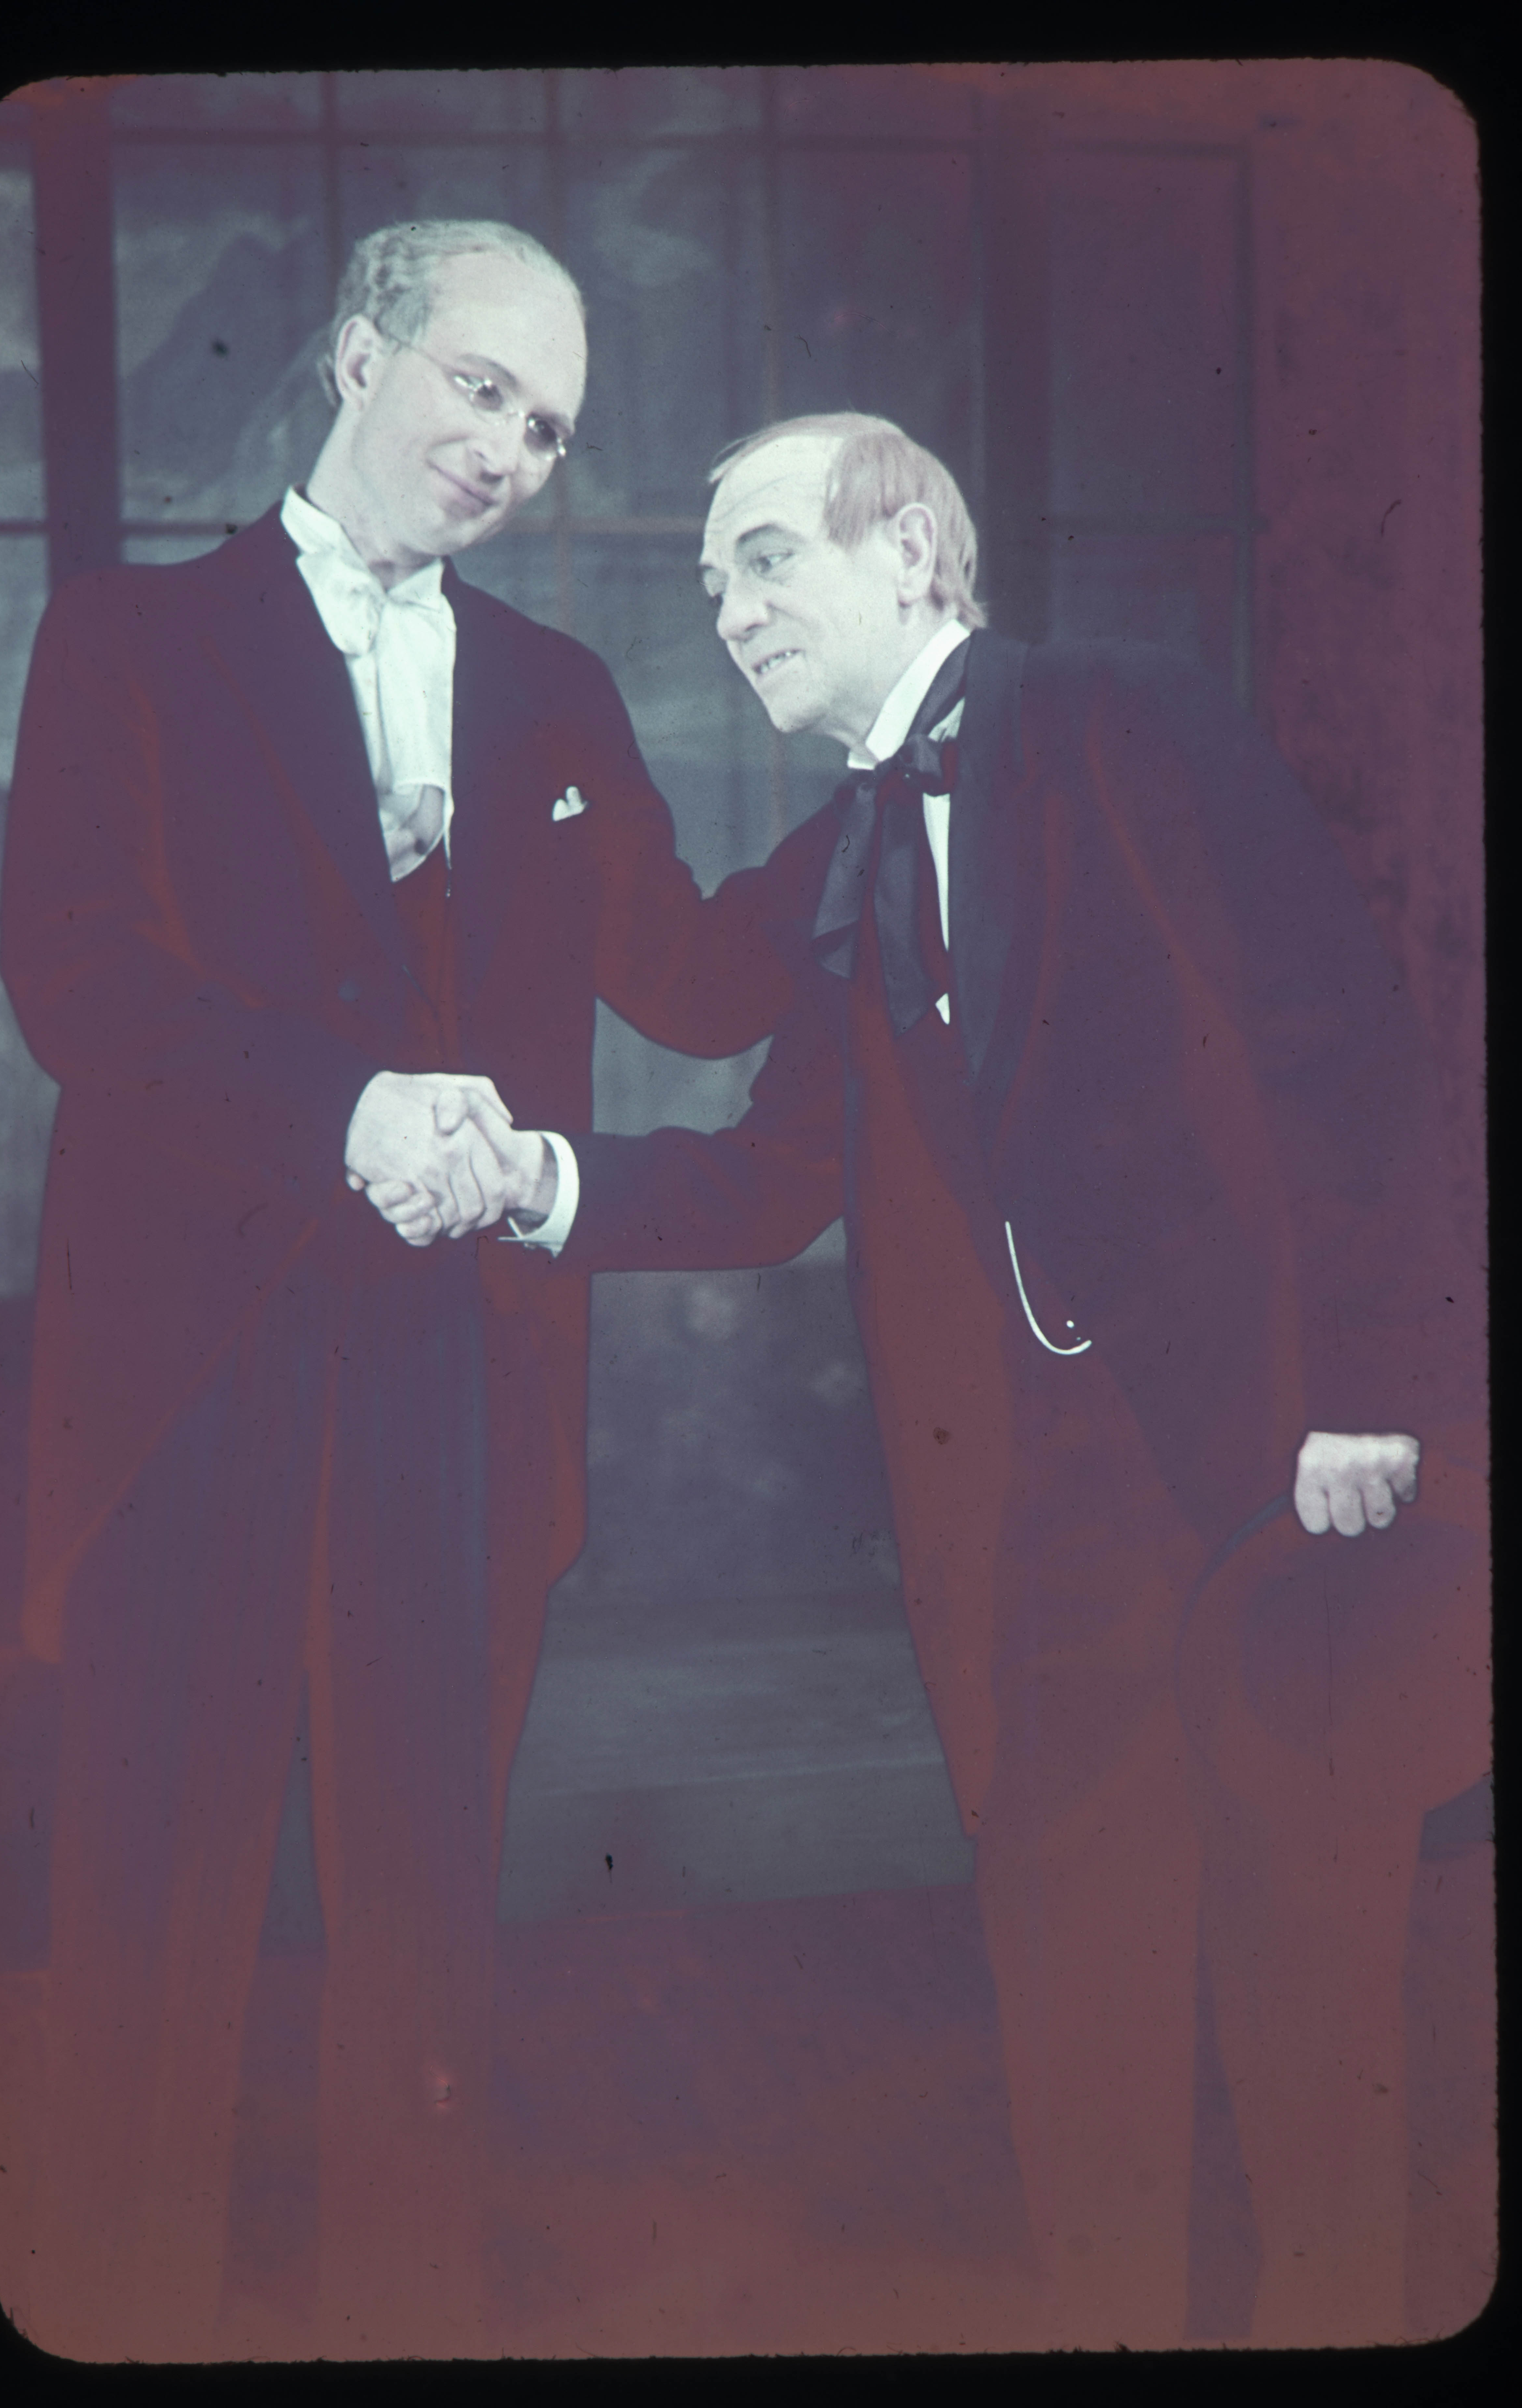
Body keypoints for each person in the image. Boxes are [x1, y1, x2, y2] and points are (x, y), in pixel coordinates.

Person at [397, 414, 1490, 2349]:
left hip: (1268, 1476)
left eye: (764, 558)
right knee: (1077, 2008)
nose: (728, 610)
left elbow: (1341, 1046)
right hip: (1042, 1530)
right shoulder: (852, 847)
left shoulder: (1129, 715)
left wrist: (1371, 1399)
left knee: (1314, 1994)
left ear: (908, 551)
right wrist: (531, 1182)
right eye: (708, 582)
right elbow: (767, 1177)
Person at [0, 219, 793, 2361]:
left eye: (551, 426)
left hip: (460, 1379)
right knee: (153, 1899)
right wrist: (340, 1107)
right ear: (361, 355)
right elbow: (75, 976)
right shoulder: (128, 639)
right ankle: (110, 2314)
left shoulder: (556, 691)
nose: (513, 450)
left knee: (426, 1906)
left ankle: (408, 2317)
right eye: (482, 389)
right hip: (193, 1371)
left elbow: (694, 983)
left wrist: (896, 765)